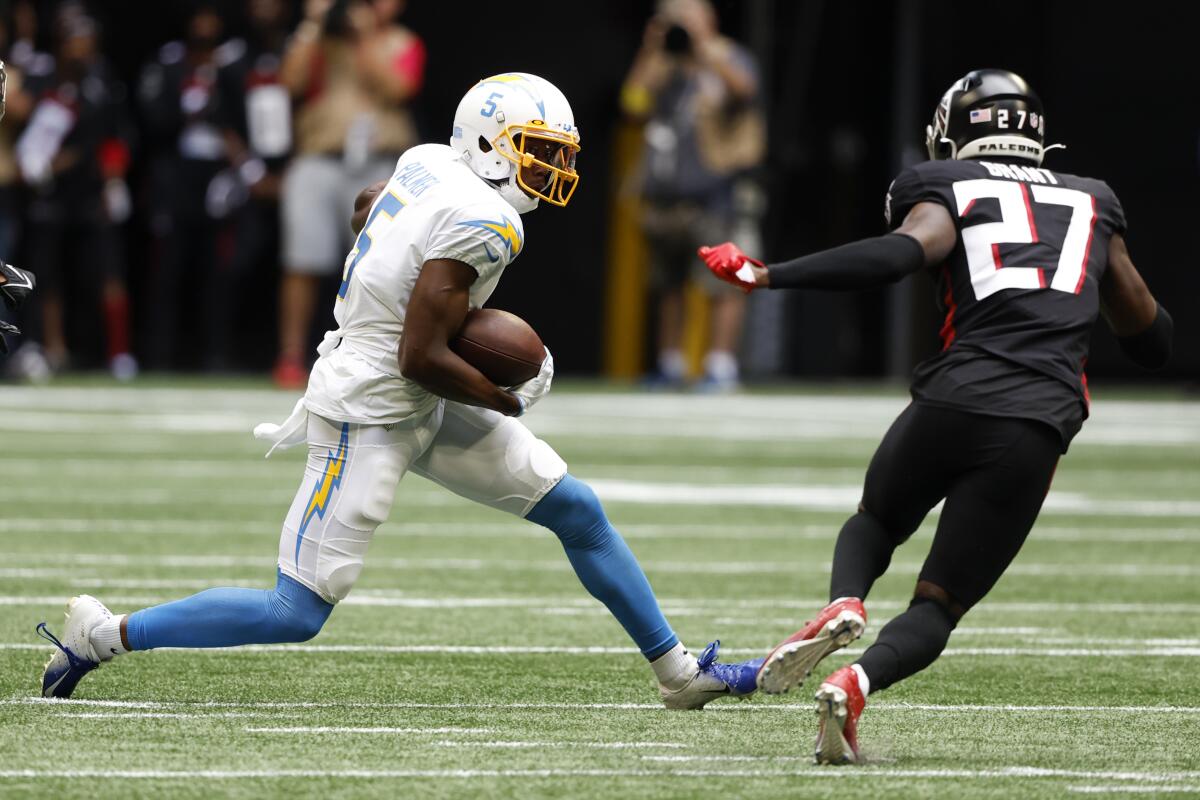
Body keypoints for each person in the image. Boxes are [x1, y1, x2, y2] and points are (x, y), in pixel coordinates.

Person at [37, 73, 760, 709]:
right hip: (372, 404)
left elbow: (364, 206)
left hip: (414, 387)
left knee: (575, 508)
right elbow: (420, 356)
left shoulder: (428, 162)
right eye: (536, 148)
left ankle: (677, 671)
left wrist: (402, 250)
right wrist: (509, 394)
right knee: (296, 609)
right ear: (487, 145)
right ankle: (102, 636)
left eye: (557, 153)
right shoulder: (489, 219)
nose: (550, 166)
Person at [700, 69, 1173, 764]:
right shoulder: (1092, 200)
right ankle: (855, 683)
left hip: (953, 398)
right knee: (939, 605)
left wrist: (773, 275)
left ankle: (846, 602)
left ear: (956, 131)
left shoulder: (945, 182)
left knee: (875, 522)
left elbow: (902, 252)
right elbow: (1152, 338)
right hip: (1036, 424)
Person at [272, 0, 425, 388]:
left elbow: (397, 87)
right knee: (302, 259)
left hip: (378, 164)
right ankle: (290, 357)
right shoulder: (319, 43)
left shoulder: (401, 42)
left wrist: (364, 35)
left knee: (383, 263)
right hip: (319, 158)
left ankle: (384, 356)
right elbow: (289, 83)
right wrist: (313, 22)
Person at [620, 0, 764, 390]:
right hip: (668, 194)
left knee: (725, 278)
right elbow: (632, 103)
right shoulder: (664, 63)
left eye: (689, 15)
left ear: (710, 19)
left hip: (717, 191)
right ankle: (671, 363)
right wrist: (653, 47)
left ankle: (720, 365)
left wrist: (702, 50)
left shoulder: (729, 56)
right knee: (669, 283)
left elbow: (746, 91)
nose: (682, 24)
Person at [15, 8, 134, 378]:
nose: (83, 50)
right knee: (46, 275)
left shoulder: (101, 83)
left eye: (88, 43)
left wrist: (114, 181)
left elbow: (115, 137)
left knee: (108, 273)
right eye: (76, 43)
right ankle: (54, 348)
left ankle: (118, 352)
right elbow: (19, 126)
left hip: (91, 192)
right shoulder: (38, 78)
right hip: (46, 192)